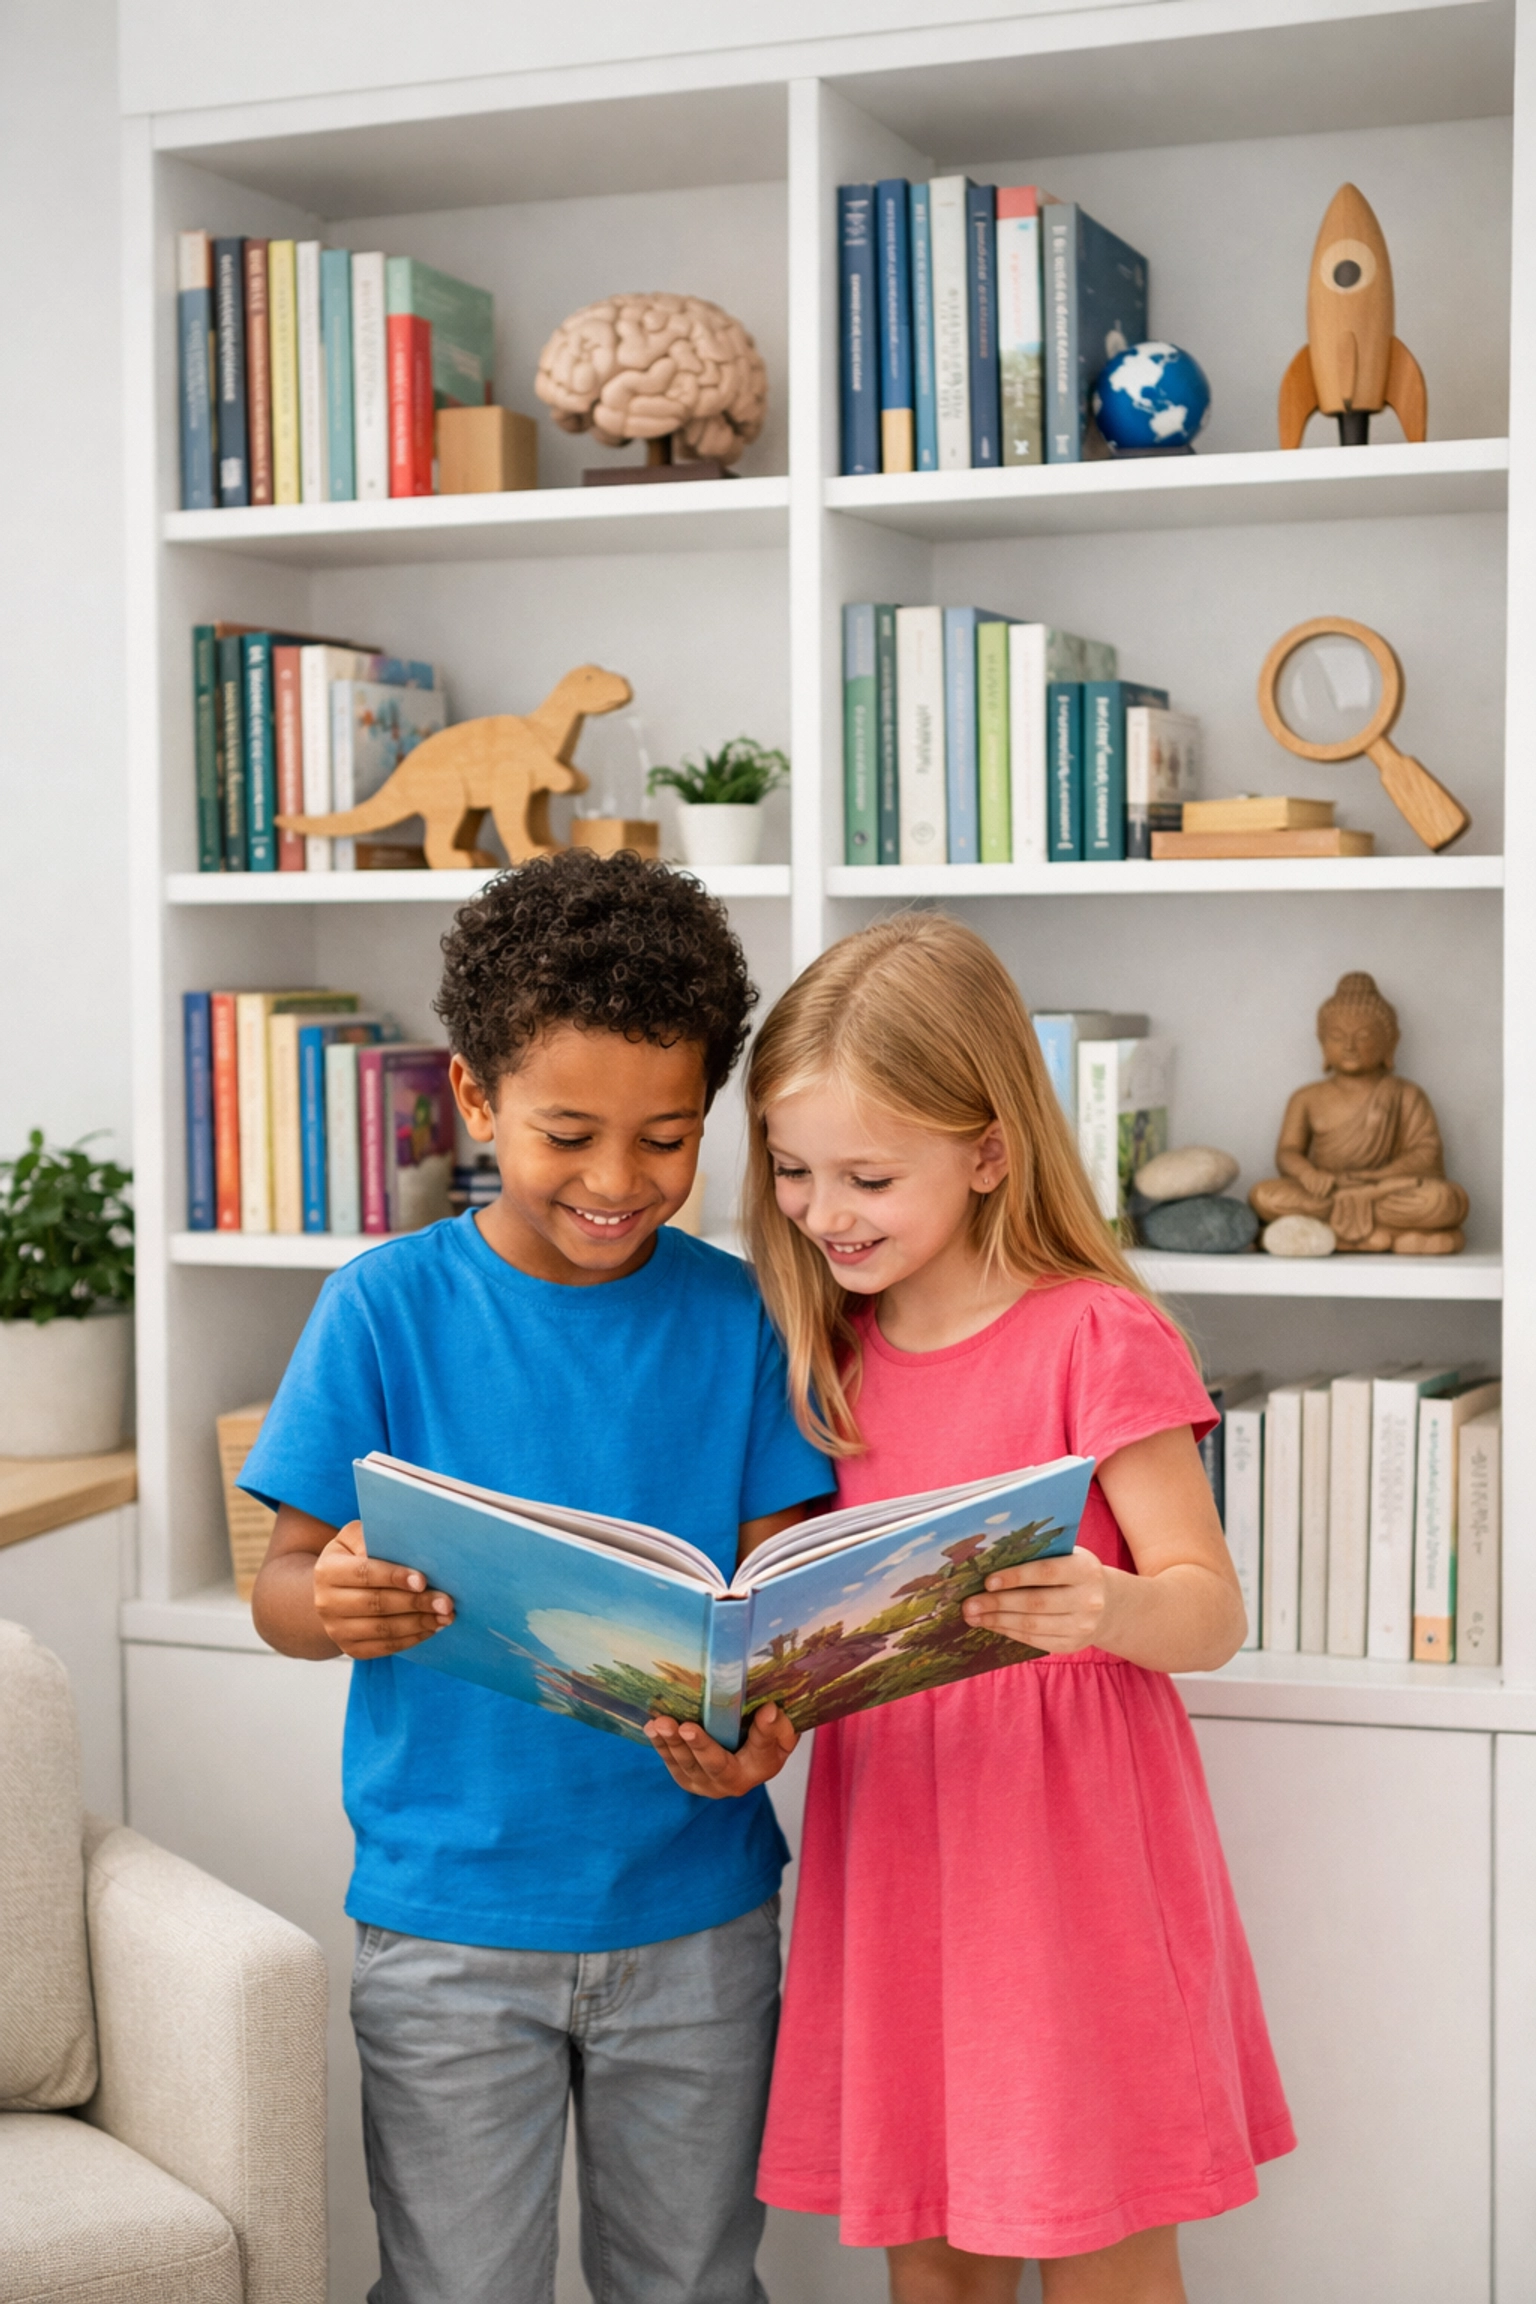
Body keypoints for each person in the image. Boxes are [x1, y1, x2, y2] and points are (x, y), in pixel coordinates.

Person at [648, 914, 1294, 2304]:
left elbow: (1209, 1609)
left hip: (1069, 1864)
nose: (827, 1211)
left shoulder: (1094, 1336)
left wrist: (1107, 1606)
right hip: (900, 1845)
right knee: (929, 2234)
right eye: (796, 1171)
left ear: (989, 1150)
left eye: (870, 1175)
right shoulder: (828, 1353)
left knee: (1100, 2224)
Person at [243, 850, 828, 2304]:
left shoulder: (741, 1312)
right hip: (449, 1921)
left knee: (691, 2284)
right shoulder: (382, 1307)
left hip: (696, 1915)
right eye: (570, 1133)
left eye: (670, 1137)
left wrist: (771, 1718)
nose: (621, 1182)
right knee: (456, 2286)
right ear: (478, 1100)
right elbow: (282, 1583)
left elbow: (770, 1612)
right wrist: (329, 1602)